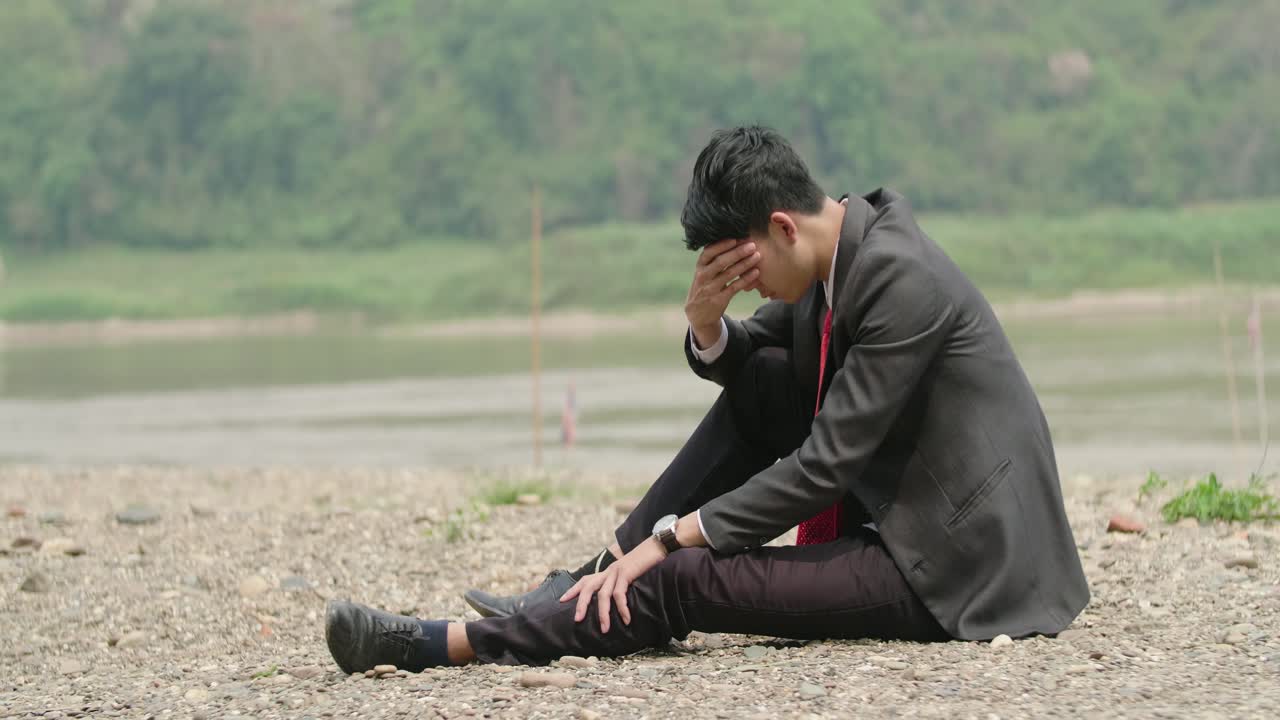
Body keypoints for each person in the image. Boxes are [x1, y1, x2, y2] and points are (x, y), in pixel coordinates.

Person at [324, 126, 1089, 671]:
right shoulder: (840, 250)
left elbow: (822, 469)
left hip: (961, 560)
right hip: (902, 503)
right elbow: (764, 374)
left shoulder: (899, 280)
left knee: (683, 576)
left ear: (781, 227)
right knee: (750, 405)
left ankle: (447, 642)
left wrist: (672, 536)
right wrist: (705, 325)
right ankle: (590, 577)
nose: (749, 288)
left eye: (747, 271)